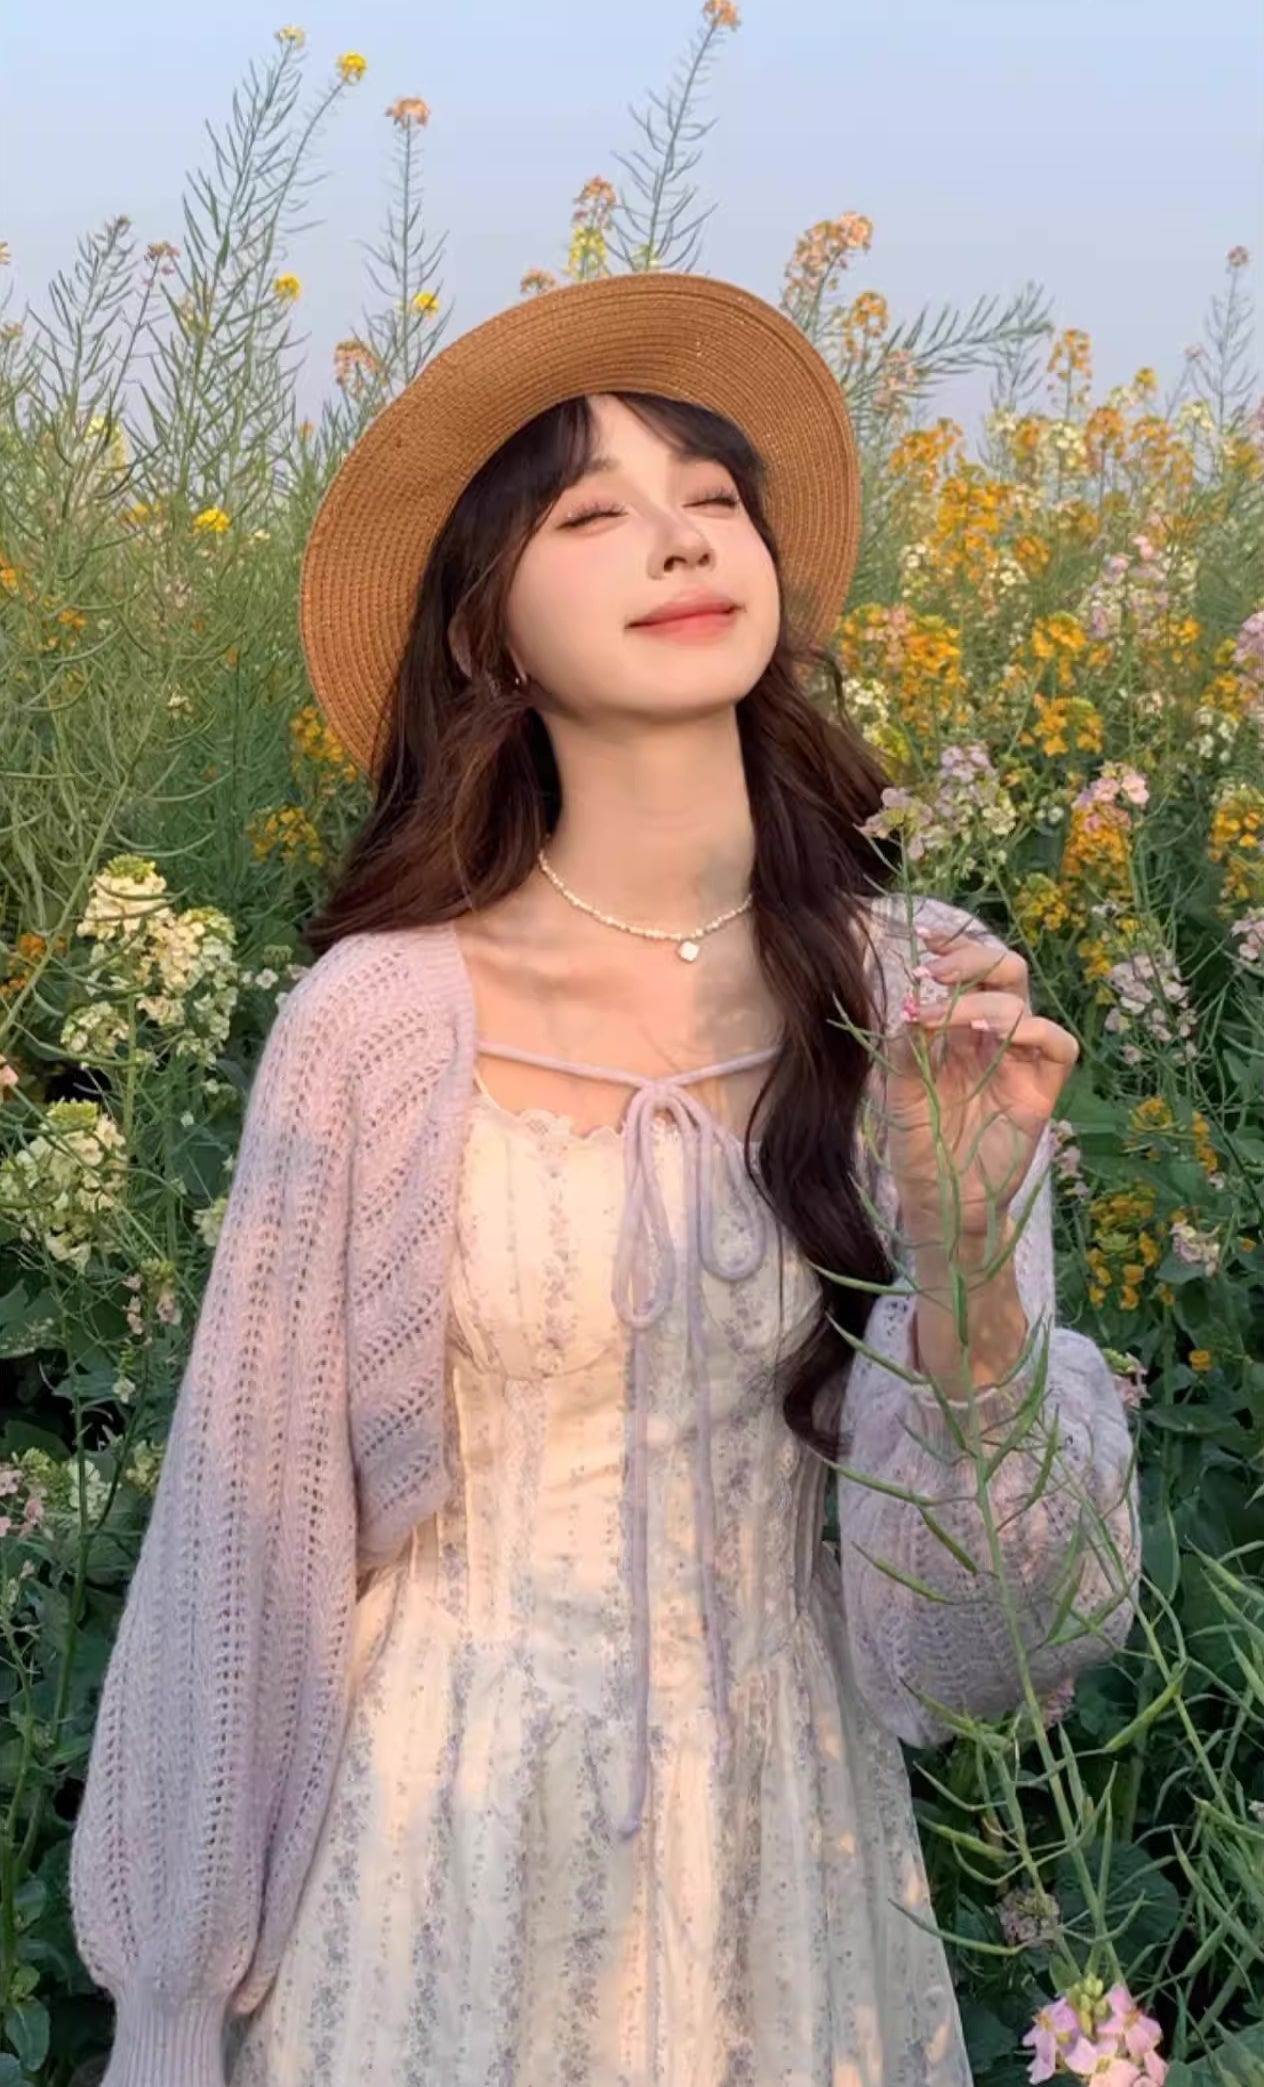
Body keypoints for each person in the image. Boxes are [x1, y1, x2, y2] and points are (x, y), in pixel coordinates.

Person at [69, 272, 1140, 2087]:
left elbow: (985, 1657)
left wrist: (964, 1258)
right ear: (483, 628)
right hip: (420, 1878)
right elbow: (246, 1551)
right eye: (591, 513)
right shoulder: (379, 1023)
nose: (679, 537)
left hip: (785, 1892)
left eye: (712, 497)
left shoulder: (922, 996)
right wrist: (173, 2011)